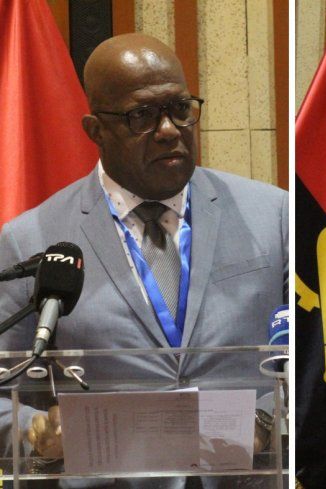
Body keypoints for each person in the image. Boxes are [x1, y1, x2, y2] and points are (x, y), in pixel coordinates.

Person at [0, 33, 288, 488]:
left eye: (180, 108)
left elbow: (310, 358)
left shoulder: (272, 215)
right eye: (143, 115)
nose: (170, 129)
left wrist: (268, 421)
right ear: (95, 130)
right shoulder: (31, 240)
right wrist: (32, 432)